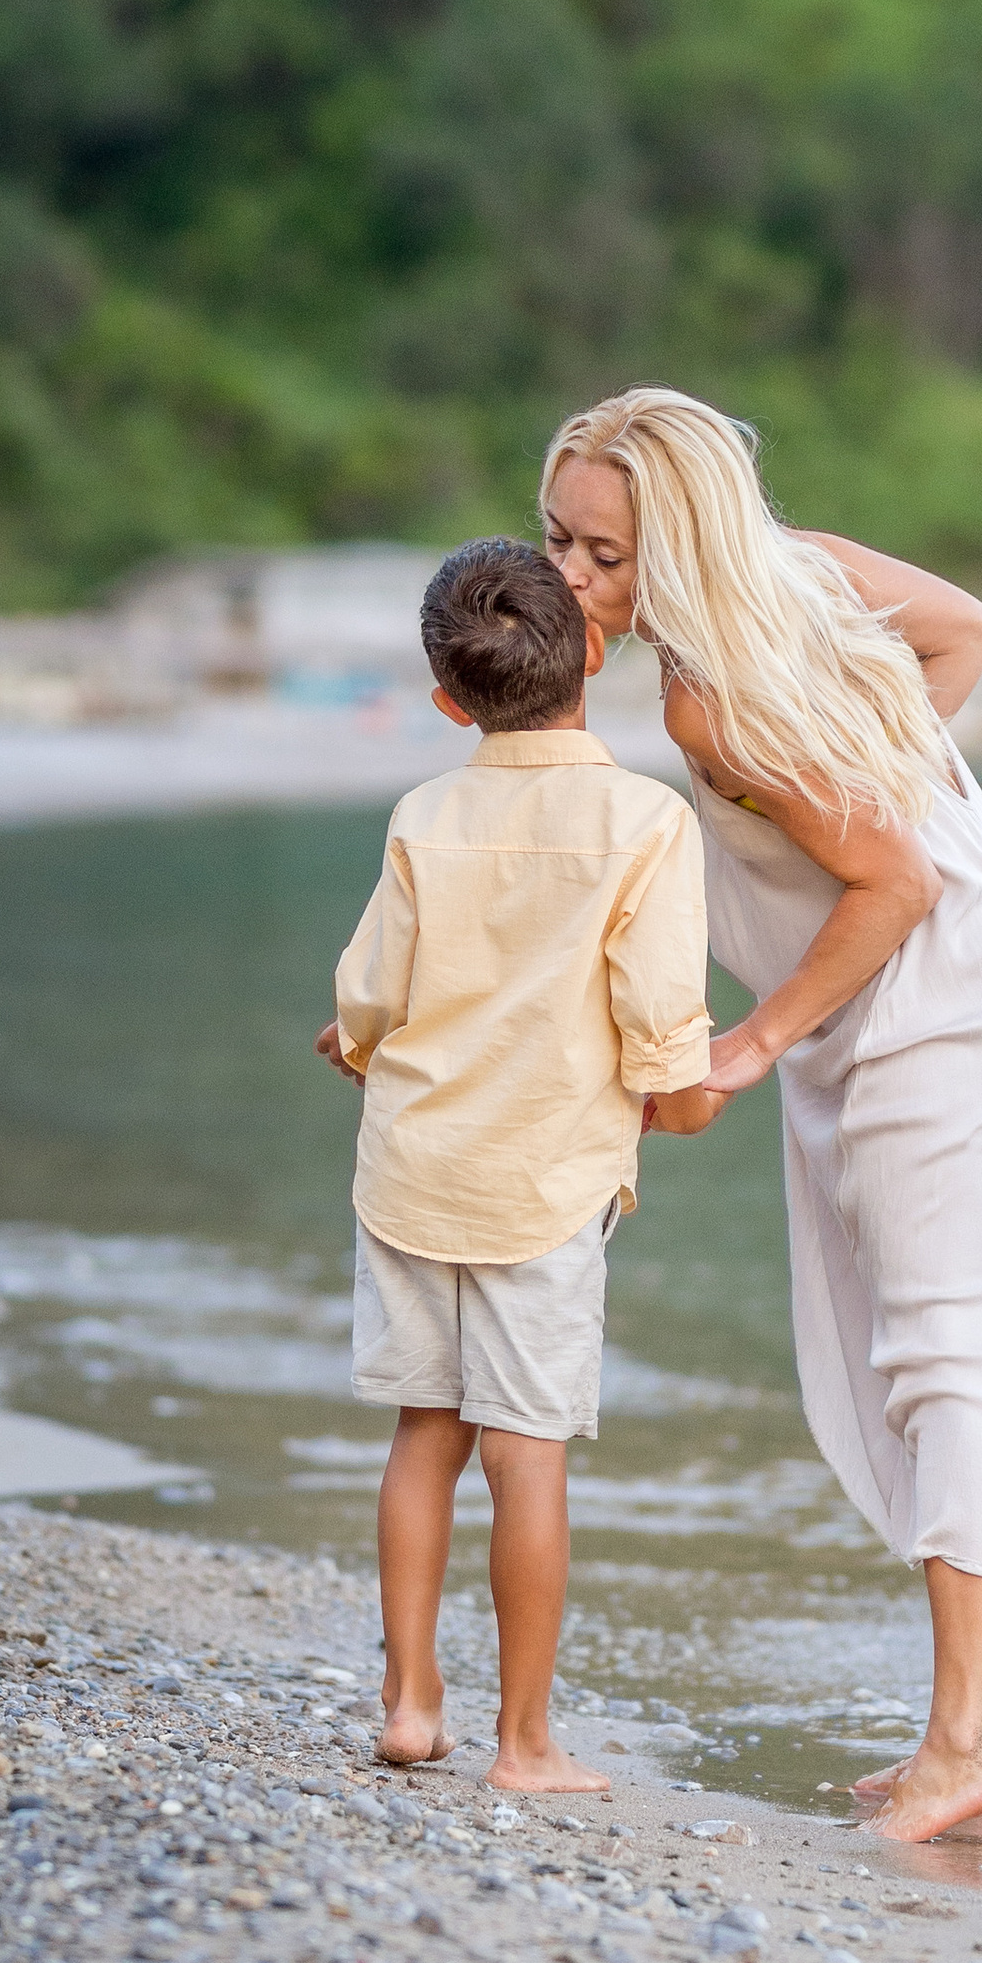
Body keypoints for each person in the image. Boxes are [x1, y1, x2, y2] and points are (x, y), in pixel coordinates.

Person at [540, 390, 982, 1845]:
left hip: (942, 1007)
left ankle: (970, 1743)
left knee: (949, 1366)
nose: (574, 581)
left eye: (607, 554)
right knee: (980, 1360)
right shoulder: (814, 577)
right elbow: (969, 632)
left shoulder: (707, 696)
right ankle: (975, 1736)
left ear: (683, 537)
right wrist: (884, 770)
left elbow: (894, 883)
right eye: (561, 544)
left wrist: (745, 1046)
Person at [317, 538, 719, 1795]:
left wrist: (358, 1044)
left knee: (420, 1435)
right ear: (594, 652)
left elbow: (368, 1000)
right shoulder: (646, 821)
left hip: (411, 1175)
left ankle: (408, 1700)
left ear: (448, 698)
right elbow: (662, 1033)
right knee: (524, 1454)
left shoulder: (424, 813)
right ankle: (525, 1743)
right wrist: (683, 1103)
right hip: (542, 1191)